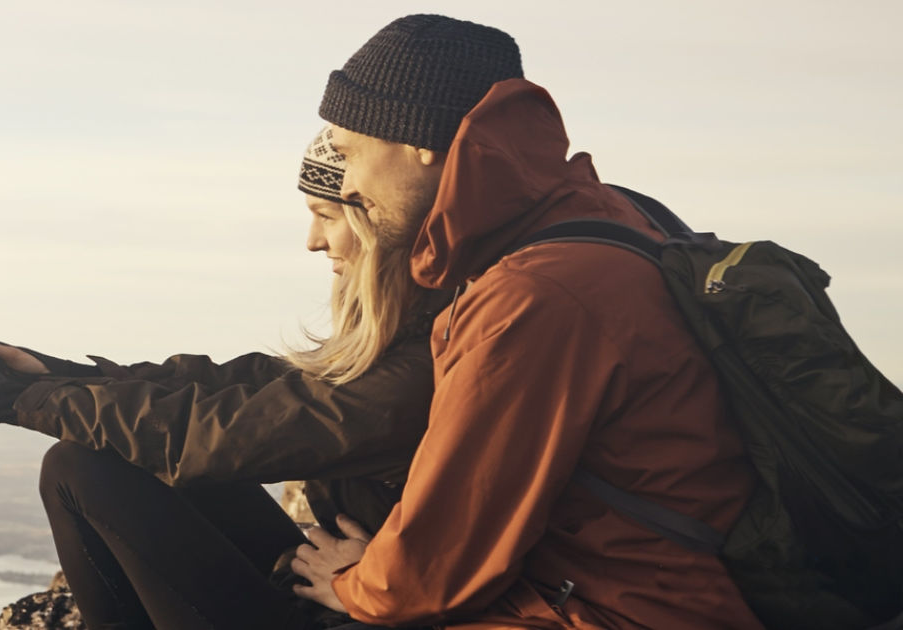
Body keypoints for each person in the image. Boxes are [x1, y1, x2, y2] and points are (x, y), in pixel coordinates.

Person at [287, 14, 765, 630]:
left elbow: (432, 572)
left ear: (418, 143)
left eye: (350, 156)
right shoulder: (614, 220)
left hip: (617, 613)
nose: (347, 183)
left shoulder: (532, 294)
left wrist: (355, 583)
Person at [0, 127, 446, 630]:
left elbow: (214, 435)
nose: (313, 241)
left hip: (378, 606)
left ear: (376, 223)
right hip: (358, 587)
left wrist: (14, 401)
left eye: (326, 215)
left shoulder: (416, 367)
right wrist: (57, 376)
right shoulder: (412, 337)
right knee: (88, 459)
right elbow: (246, 385)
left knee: (80, 471)